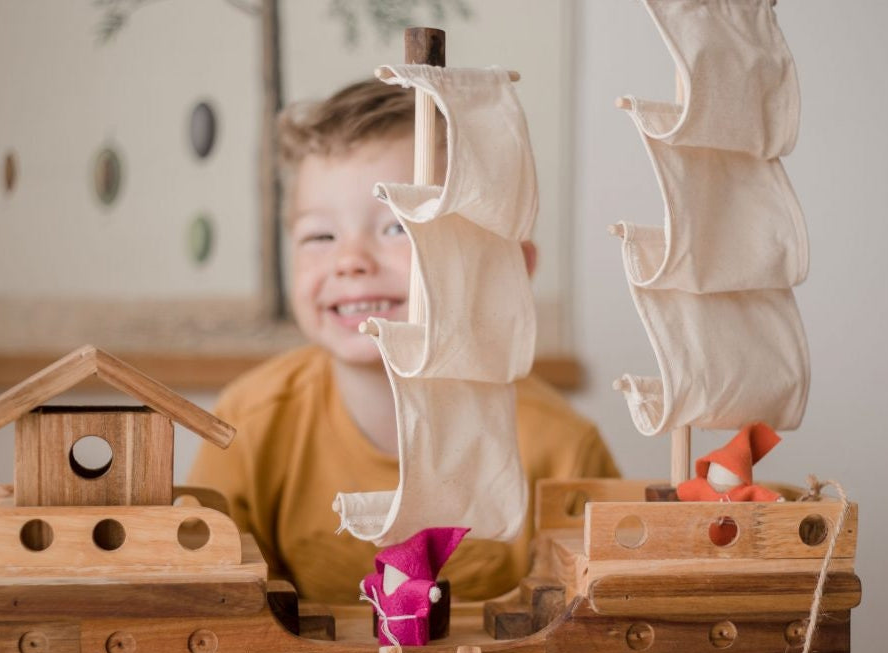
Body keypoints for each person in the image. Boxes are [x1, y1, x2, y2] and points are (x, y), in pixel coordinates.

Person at [188, 78, 619, 604]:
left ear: (504, 272)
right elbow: (211, 601)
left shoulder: (564, 451)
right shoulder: (248, 425)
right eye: (320, 236)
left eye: (398, 228)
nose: (350, 261)